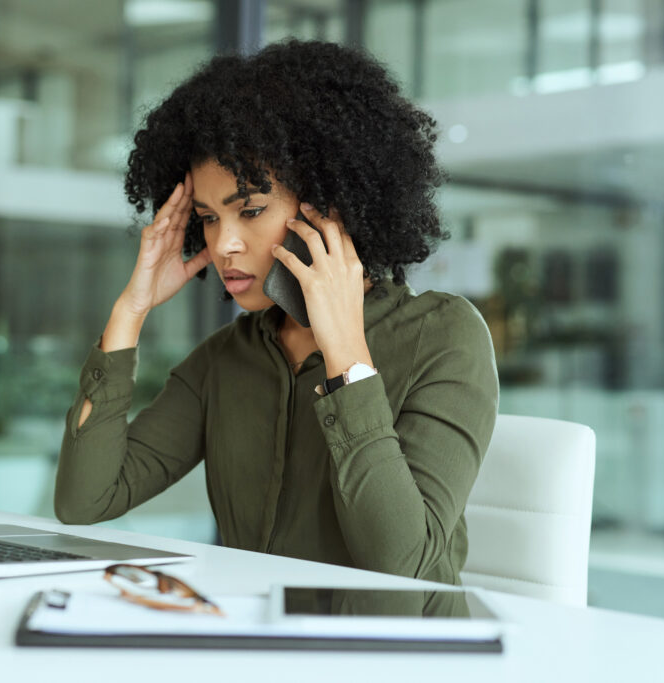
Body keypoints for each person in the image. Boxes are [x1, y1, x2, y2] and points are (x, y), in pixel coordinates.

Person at [54, 41, 498, 616]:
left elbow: (401, 565)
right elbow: (85, 499)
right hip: (257, 652)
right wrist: (129, 311)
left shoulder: (444, 335)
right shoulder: (225, 359)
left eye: (251, 210)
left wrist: (345, 355)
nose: (223, 245)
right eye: (209, 219)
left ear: (328, 205)